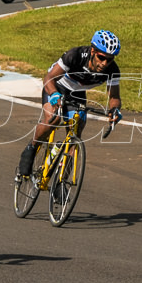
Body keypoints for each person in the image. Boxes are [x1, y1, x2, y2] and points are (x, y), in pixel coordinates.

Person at [14, 30, 123, 181]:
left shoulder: (112, 70)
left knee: (75, 133)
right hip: (56, 86)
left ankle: (63, 181)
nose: (105, 63)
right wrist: (54, 95)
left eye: (109, 59)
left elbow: (114, 97)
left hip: (77, 93)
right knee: (54, 118)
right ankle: (31, 148)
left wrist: (114, 110)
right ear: (93, 51)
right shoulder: (75, 55)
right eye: (102, 57)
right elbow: (49, 78)